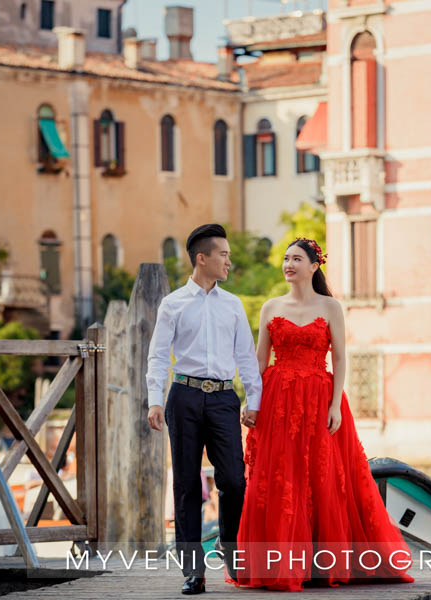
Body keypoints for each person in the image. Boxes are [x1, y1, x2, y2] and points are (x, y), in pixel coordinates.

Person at [232, 238, 415, 591]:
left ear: (314, 266)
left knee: (323, 477)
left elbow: (342, 358)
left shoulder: (331, 307)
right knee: (280, 478)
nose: (288, 264)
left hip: (319, 398)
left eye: (296, 259)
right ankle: (279, 565)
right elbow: (259, 360)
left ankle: (321, 564)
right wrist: (250, 400)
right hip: (277, 400)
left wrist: (335, 405)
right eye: (286, 258)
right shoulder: (270, 307)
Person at [146, 224, 262, 595]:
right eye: (223, 254)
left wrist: (253, 400)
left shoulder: (233, 304)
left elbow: (246, 355)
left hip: (224, 399)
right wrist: (154, 399)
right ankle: (192, 572)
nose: (229, 260)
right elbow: (158, 355)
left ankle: (231, 552)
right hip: (185, 397)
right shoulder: (173, 303)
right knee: (186, 486)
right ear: (202, 258)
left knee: (233, 480)